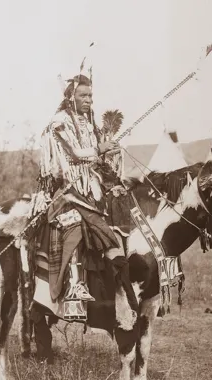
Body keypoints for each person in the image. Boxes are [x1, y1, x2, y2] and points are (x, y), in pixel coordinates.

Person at [35, 73, 136, 309]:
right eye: (83, 95)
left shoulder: (87, 122)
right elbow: (71, 153)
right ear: (71, 97)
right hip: (67, 188)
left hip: (92, 186)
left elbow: (96, 155)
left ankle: (121, 274)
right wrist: (99, 149)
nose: (89, 100)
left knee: (120, 209)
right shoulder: (59, 121)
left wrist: (111, 150)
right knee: (76, 225)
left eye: (91, 95)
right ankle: (74, 286)